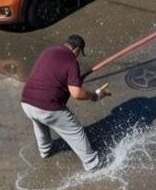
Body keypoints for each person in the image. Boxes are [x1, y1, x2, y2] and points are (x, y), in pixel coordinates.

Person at [20, 34, 108, 171]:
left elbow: (51, 75)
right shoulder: (71, 60)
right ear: (76, 49)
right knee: (76, 131)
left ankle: (45, 150)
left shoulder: (48, 51)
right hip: (48, 106)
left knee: (38, 121)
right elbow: (76, 94)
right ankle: (93, 163)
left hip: (26, 101)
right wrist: (94, 96)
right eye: (79, 53)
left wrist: (71, 82)